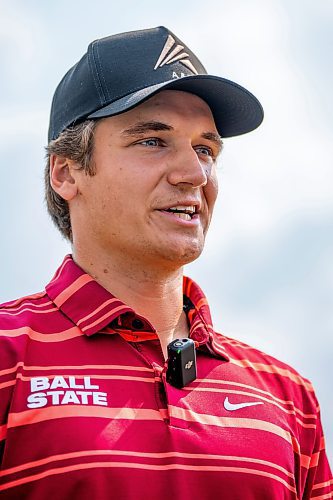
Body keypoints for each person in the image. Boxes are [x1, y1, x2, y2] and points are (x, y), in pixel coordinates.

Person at [0, 26, 331, 499]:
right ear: (66, 171)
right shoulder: (7, 355)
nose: (194, 173)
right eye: (153, 141)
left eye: (205, 149)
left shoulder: (288, 396)